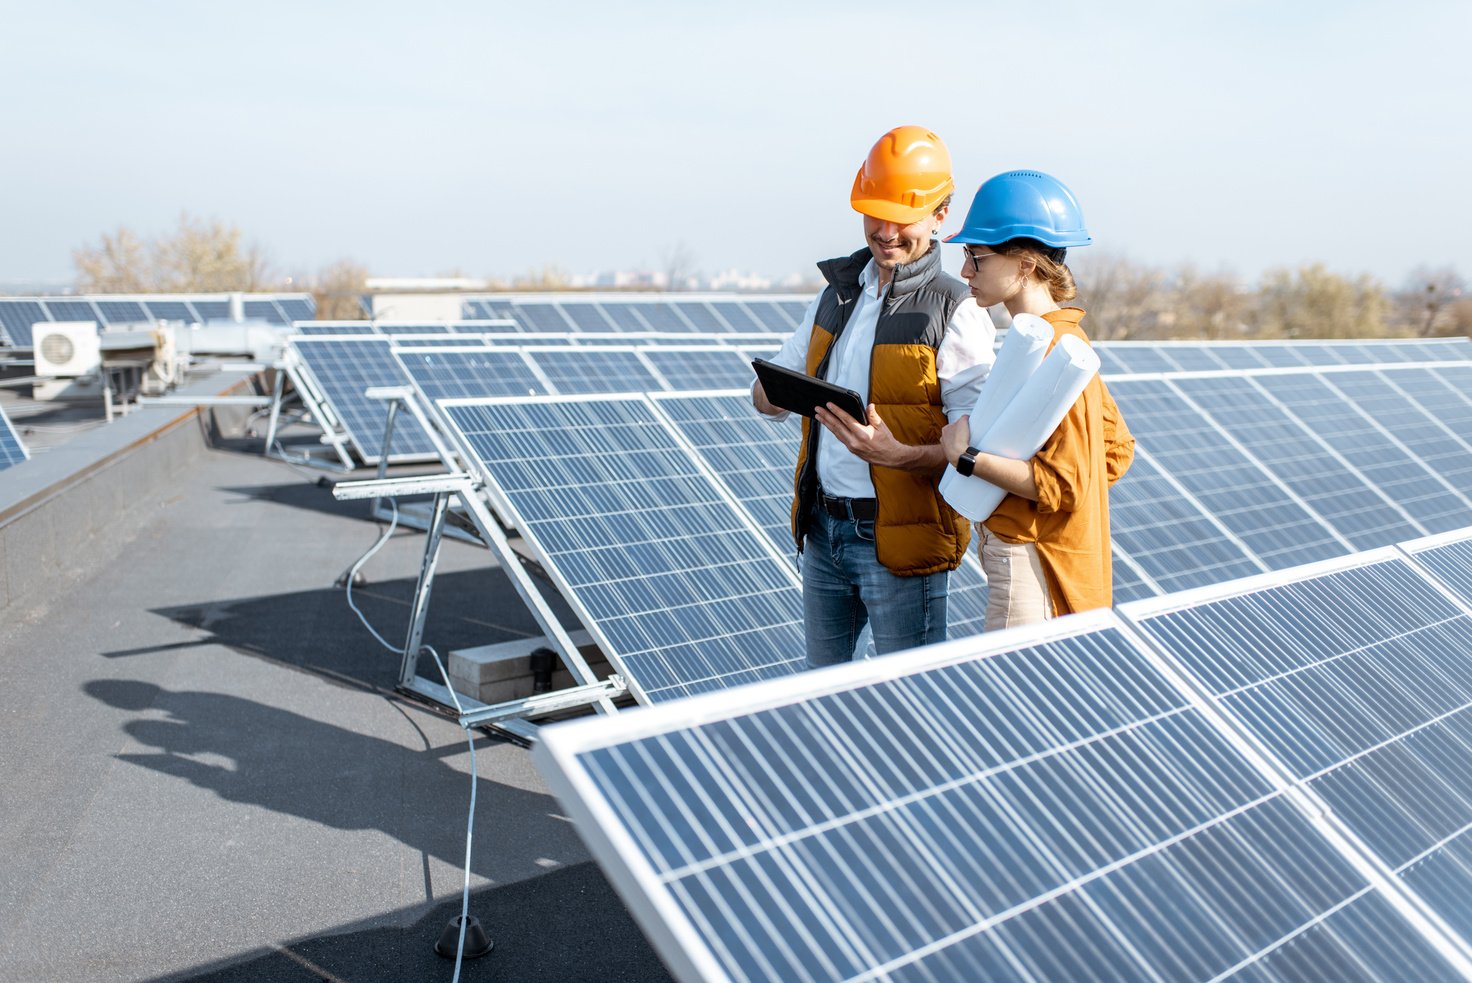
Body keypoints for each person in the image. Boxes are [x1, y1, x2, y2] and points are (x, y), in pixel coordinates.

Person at [752, 125, 996, 667]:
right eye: (874, 214)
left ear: (940, 216)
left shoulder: (958, 309)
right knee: (822, 696)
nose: (885, 231)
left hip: (899, 542)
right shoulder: (837, 293)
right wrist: (771, 395)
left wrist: (898, 456)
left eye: (901, 217)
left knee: (911, 704)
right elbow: (770, 389)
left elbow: (978, 446)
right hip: (822, 531)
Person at [938, 170, 1134, 629]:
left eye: (976, 257)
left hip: (1032, 570)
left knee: (1010, 699)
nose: (965, 270)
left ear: (1025, 264)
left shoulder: (1055, 354)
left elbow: (1065, 486)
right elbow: (1115, 452)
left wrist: (966, 458)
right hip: (1039, 560)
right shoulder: (1062, 342)